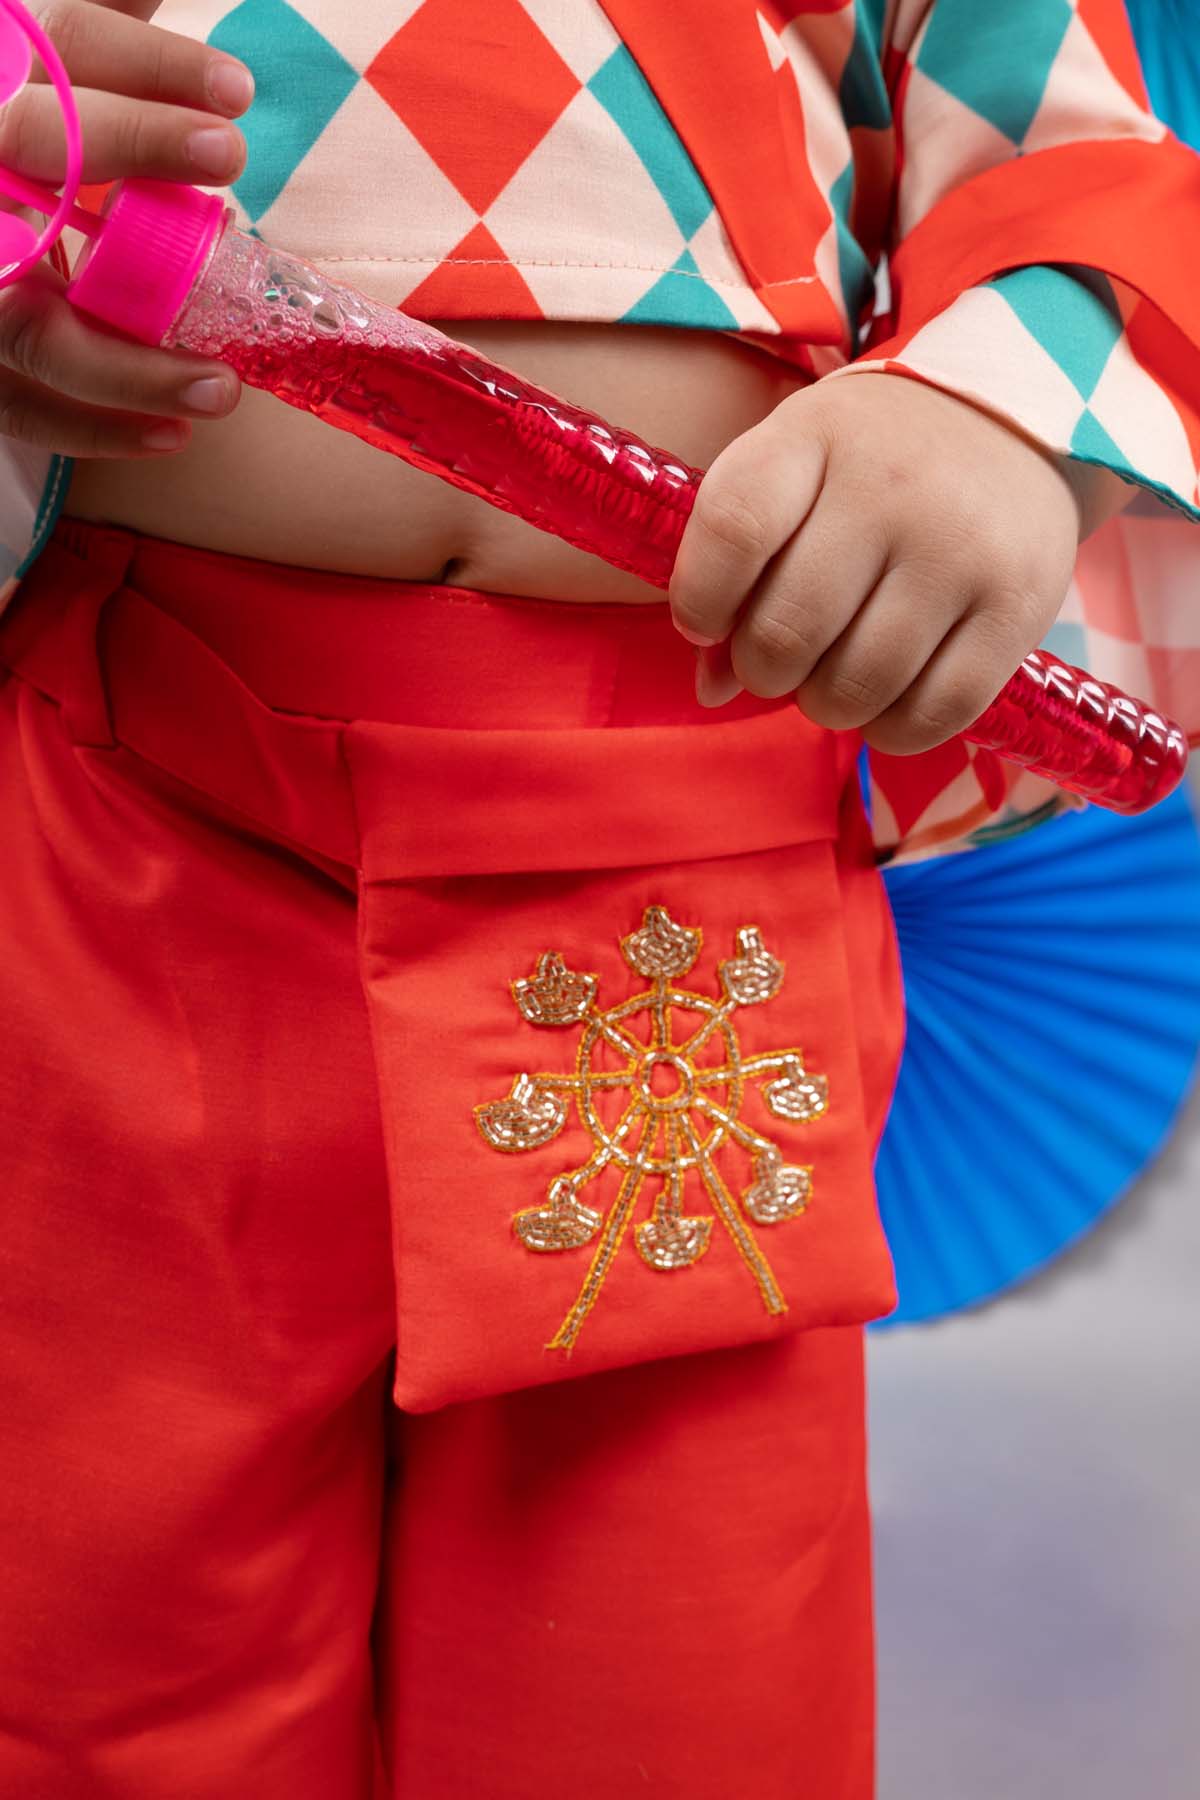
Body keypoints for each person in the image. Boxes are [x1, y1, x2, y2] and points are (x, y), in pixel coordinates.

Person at [0, 3, 1196, 1796]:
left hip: (686, 840)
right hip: (107, 817)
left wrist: (993, 417)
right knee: (80, 1650)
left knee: (674, 1690)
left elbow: (1076, 141)